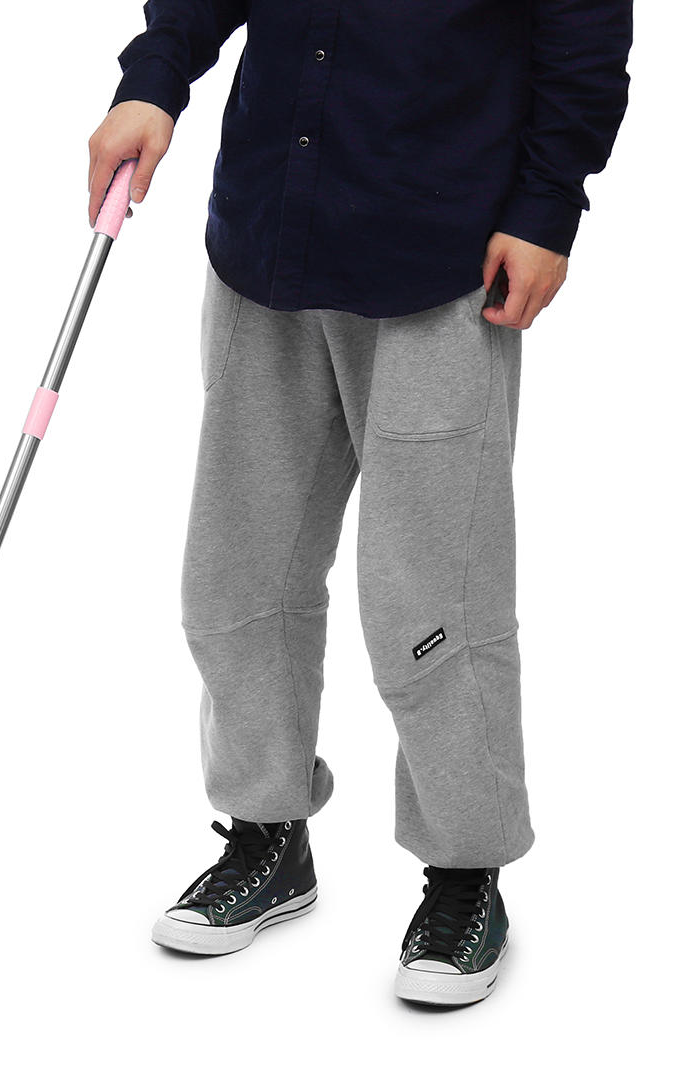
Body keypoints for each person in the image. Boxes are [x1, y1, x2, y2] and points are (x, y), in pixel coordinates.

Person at [87, 1, 632, 1005]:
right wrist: (153, 81)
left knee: (433, 601)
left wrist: (548, 207)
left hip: (442, 251)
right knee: (236, 576)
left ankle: (466, 873)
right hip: (269, 233)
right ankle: (266, 834)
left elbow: (583, 33)